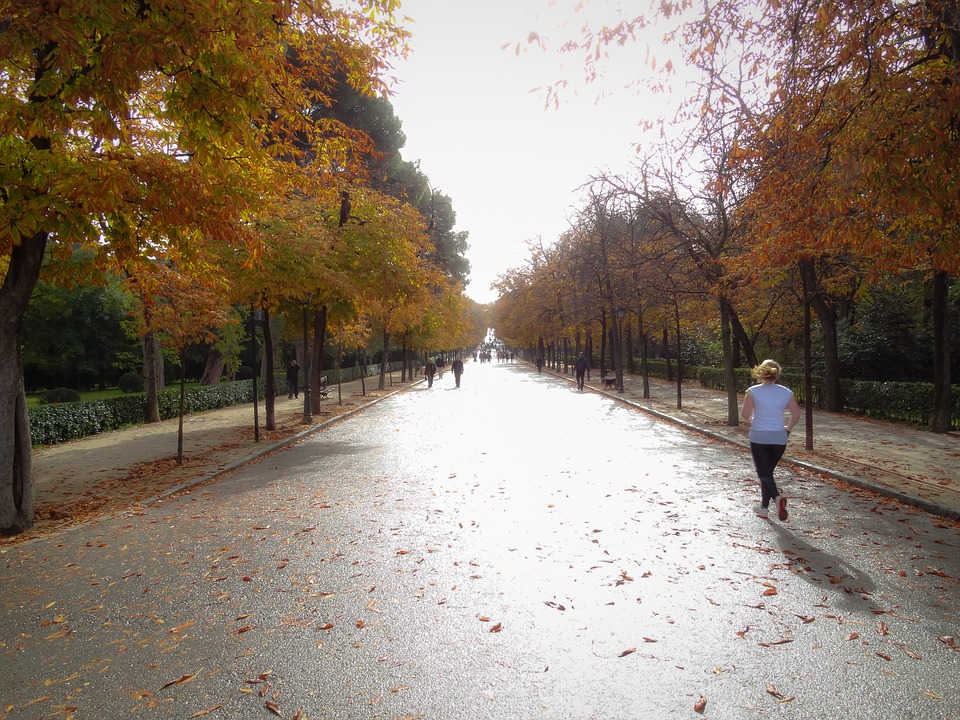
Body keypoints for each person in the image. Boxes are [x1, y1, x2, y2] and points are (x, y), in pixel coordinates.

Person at [740, 359, 801, 521]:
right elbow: (796, 414)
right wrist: (787, 429)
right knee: (768, 474)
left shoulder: (752, 391)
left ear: (761, 372)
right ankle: (763, 508)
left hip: (759, 436)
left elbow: (745, 415)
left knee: (764, 474)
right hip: (779, 438)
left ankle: (777, 498)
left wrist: (751, 420)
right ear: (777, 373)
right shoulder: (786, 392)